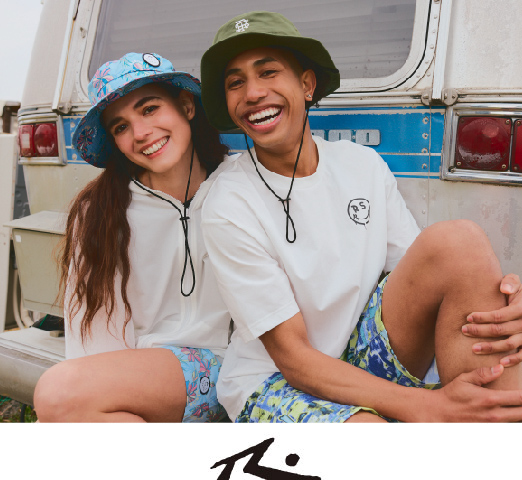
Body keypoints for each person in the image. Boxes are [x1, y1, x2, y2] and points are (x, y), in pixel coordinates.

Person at [199, 11, 522, 423]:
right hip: (276, 377)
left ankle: (494, 435)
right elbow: (293, 357)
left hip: (360, 348)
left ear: (307, 85)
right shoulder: (228, 203)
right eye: (235, 83)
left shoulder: (361, 163)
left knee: (461, 243)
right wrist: (430, 406)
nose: (253, 92)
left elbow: (420, 271)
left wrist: (506, 298)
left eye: (268, 72)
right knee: (371, 438)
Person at [34, 53, 231, 422]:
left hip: (233, 366)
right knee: (63, 403)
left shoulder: (239, 185)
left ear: (186, 106)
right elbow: (95, 342)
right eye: (121, 126)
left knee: (57, 396)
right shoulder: (101, 212)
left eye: (150, 109)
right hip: (151, 377)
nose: (140, 133)